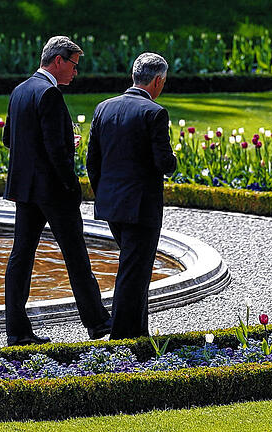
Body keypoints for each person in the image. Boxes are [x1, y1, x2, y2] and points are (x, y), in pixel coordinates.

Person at [2, 35, 112, 346]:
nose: (76, 72)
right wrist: (72, 185)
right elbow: (54, 150)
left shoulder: (19, 90)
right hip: (52, 190)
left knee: (20, 258)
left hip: (25, 190)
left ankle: (17, 332)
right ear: (59, 61)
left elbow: (9, 139)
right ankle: (99, 323)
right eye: (74, 65)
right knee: (76, 257)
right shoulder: (50, 93)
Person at [87, 52, 177, 339]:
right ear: (158, 80)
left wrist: (104, 192)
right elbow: (165, 163)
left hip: (112, 204)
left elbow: (92, 161)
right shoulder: (155, 113)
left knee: (134, 267)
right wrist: (174, 160)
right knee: (134, 271)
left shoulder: (104, 108)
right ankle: (123, 337)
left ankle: (138, 331)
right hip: (142, 207)